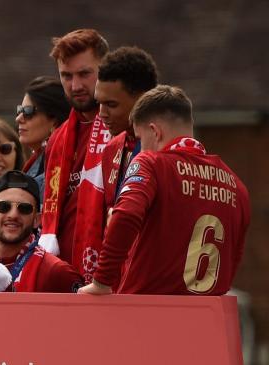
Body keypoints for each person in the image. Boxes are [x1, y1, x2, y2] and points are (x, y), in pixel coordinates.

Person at [80, 85, 249, 296]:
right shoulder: (236, 185)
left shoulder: (150, 163)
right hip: (207, 318)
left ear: (155, 131)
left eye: (140, 140)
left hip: (149, 313)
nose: (139, 149)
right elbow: (233, 258)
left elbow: (126, 215)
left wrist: (101, 282)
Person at [40, 28, 111, 276]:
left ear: (106, 69)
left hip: (111, 274)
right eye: (66, 76)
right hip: (64, 273)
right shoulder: (57, 139)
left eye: (84, 74)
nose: (76, 85)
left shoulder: (128, 129)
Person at [0, 170, 82, 292]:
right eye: (3, 207)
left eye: (24, 208)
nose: (13, 215)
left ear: (37, 219)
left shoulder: (56, 271)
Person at [94, 47, 158, 218]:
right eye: (99, 103)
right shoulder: (111, 149)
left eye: (111, 104)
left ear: (143, 99)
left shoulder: (167, 149)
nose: (101, 113)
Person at [16, 76, 71, 195]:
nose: (18, 118)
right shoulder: (34, 163)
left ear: (54, 120)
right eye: (20, 110)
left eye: (28, 112)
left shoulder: (63, 168)